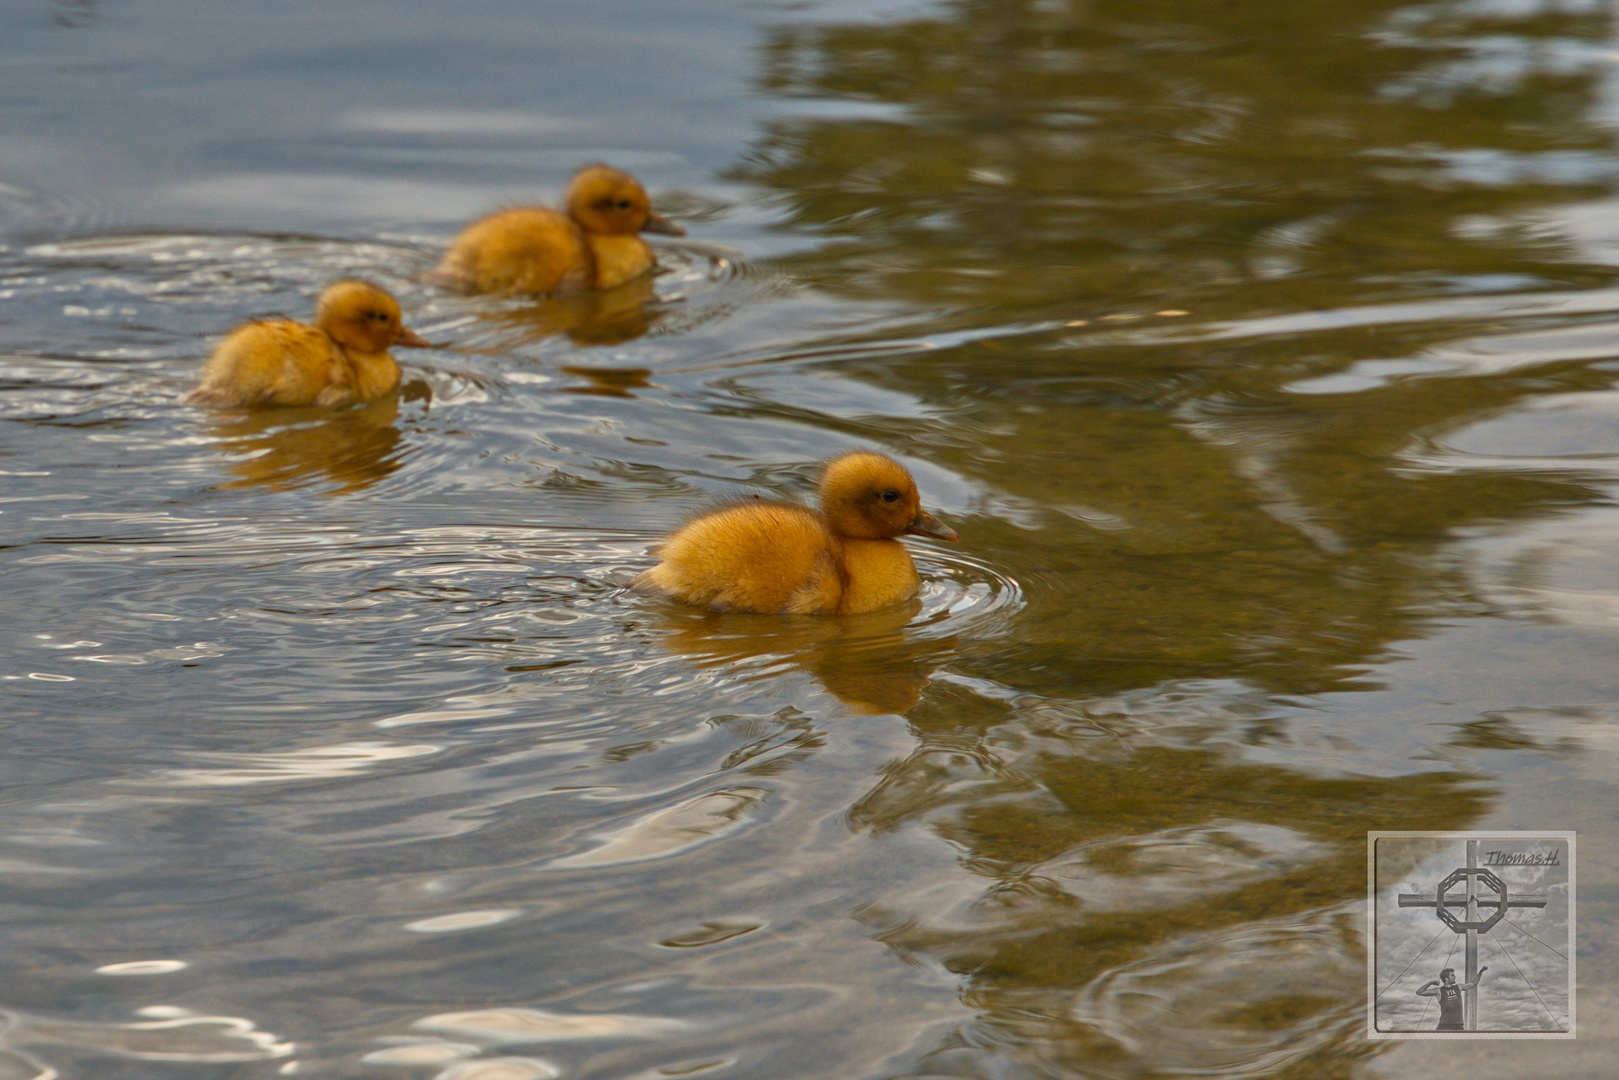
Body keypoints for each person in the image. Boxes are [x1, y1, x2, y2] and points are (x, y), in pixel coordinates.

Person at [1416, 966, 1488, 1030]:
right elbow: (1419, 992)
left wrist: (1481, 971)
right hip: (1444, 1026)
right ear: (1446, 978)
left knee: (1461, 1045)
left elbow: (1473, 983)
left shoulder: (1458, 987)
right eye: (1452, 975)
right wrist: (1430, 982)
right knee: (1438, 1045)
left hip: (1459, 1026)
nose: (1455, 977)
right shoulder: (1439, 991)